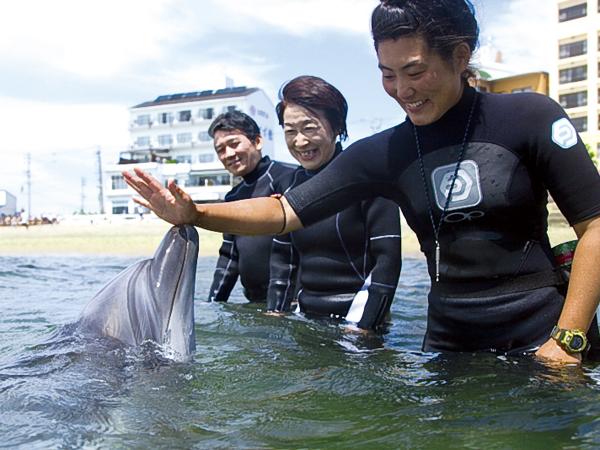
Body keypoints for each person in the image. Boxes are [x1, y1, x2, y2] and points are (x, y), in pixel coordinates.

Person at [123, 0, 600, 365]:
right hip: (450, 341)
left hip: (544, 330)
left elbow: (595, 226)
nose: (402, 90)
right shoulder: (385, 152)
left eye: (415, 71)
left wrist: (569, 337)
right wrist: (196, 214)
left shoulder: (528, 116)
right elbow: (285, 211)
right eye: (388, 75)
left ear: (460, 56)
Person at [266, 75, 401, 331]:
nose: (300, 141)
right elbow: (283, 260)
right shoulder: (287, 185)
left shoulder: (368, 179)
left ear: (337, 126)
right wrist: (276, 314)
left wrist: (364, 327)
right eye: (290, 131)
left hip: (359, 322)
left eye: (309, 128)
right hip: (305, 318)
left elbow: (388, 261)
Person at [206, 111, 296, 303]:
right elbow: (229, 258)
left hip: (291, 302)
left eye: (234, 143)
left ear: (257, 141)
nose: (228, 154)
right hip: (254, 302)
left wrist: (279, 307)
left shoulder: (289, 177)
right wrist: (213, 304)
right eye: (220, 149)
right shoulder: (233, 197)